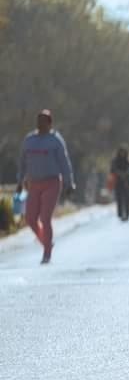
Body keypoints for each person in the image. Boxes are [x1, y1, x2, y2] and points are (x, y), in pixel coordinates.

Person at [16, 109, 76, 264]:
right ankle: (46, 242)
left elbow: (64, 162)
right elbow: (22, 162)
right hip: (33, 184)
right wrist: (19, 181)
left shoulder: (55, 140)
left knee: (45, 217)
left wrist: (70, 183)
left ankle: (47, 253)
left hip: (52, 183)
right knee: (30, 218)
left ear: (50, 123)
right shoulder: (29, 140)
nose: (40, 123)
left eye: (44, 120)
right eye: (38, 120)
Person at [110, 146, 129, 221]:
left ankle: (127, 214)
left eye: (124, 152)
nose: (122, 154)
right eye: (121, 152)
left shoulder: (128, 162)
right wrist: (119, 174)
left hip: (127, 182)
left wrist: (126, 174)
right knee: (119, 198)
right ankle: (120, 214)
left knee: (127, 198)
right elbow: (112, 170)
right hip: (118, 182)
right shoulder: (115, 162)